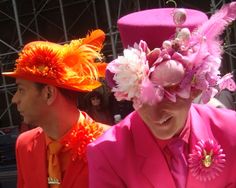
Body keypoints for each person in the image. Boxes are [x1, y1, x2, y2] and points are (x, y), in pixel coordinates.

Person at [87, 3, 236, 188]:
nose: (154, 112)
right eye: (140, 92)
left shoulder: (231, 132)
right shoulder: (107, 153)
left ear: (197, 85)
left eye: (169, 91)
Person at [2, 29, 110, 188]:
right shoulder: (24, 145)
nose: (14, 99)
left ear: (48, 93)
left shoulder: (110, 143)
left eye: (21, 90)